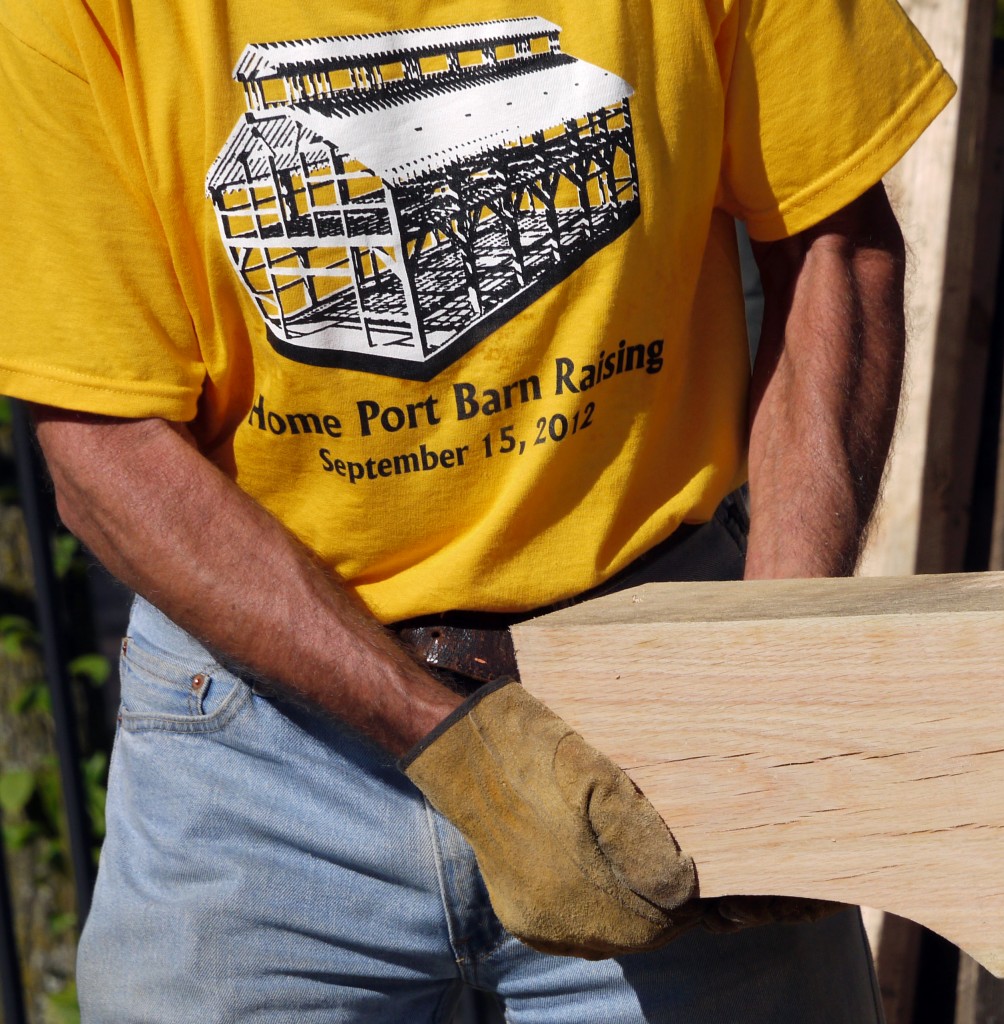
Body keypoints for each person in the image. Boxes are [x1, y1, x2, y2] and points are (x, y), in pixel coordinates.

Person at [0, 0, 954, 1020]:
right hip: (262, 749)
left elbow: (831, 243)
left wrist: (772, 665)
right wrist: (449, 741)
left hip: (657, 700)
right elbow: (105, 445)